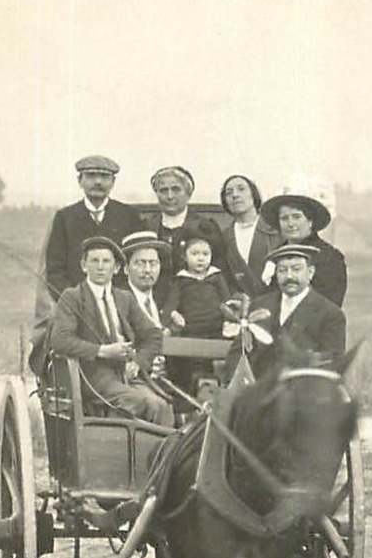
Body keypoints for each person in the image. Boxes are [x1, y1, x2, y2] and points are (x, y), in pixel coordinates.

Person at [47, 236, 170, 426]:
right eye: (94, 261)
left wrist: (138, 363)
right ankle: (117, 451)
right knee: (137, 401)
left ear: (117, 268)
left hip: (125, 374)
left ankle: (153, 456)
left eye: (106, 261)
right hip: (92, 377)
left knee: (161, 406)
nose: (100, 267)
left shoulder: (124, 298)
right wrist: (102, 351)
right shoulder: (72, 297)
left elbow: (153, 334)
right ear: (83, 265)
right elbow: (60, 339)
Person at [42, 155, 143, 301]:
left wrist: (123, 301)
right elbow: (55, 270)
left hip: (121, 303)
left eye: (104, 176)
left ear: (113, 182)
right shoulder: (65, 218)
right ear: (79, 181)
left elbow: (136, 263)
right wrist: (72, 301)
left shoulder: (129, 216)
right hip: (77, 305)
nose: (98, 182)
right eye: (91, 176)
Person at [241, 243, 348, 377]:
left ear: (310, 272)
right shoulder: (259, 305)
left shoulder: (329, 314)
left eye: (296, 269)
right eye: (282, 270)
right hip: (259, 390)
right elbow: (239, 352)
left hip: (301, 390)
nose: (289, 276)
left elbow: (331, 364)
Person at [162, 221, 236, 391]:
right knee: (189, 365)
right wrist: (171, 316)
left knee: (217, 364)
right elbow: (170, 305)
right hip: (191, 330)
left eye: (205, 254)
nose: (201, 258)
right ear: (184, 257)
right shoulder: (181, 280)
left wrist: (231, 319)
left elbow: (227, 302)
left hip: (215, 329)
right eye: (195, 253)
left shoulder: (216, 277)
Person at [144, 166, 226, 302]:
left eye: (176, 190)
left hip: (195, 304)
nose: (169, 196)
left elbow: (219, 268)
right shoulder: (147, 226)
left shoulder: (205, 227)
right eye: (163, 191)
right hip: (155, 301)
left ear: (188, 193)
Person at [259, 193, 348, 306]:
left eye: (296, 217)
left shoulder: (329, 257)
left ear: (310, 221)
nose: (290, 224)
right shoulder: (276, 256)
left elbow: (328, 305)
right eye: (284, 218)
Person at [217, 174, 281, 298]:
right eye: (229, 193)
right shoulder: (223, 237)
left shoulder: (276, 230)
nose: (235, 195)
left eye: (241, 189)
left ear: (253, 194)